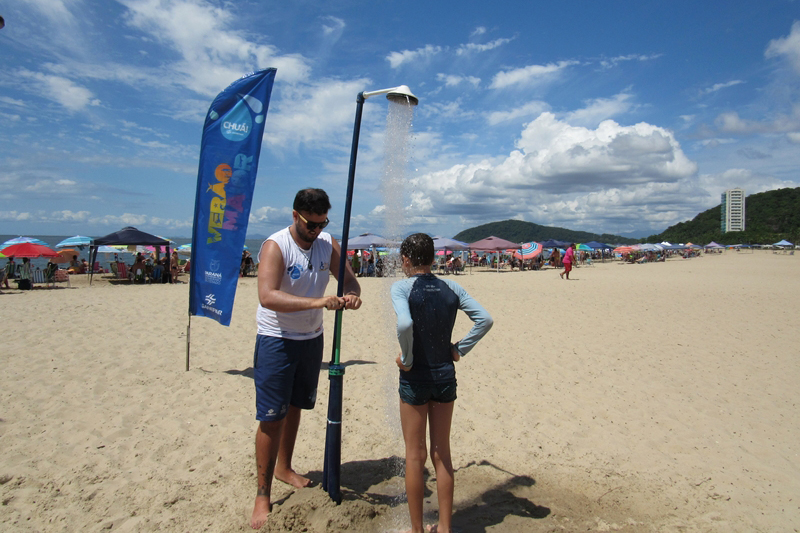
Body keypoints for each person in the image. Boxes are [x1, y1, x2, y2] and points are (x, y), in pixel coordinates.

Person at [251, 188, 362, 529]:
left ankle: (285, 467)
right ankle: (262, 493)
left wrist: (352, 297)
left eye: (322, 224)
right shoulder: (276, 246)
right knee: (272, 416)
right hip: (277, 339)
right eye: (311, 225)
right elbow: (267, 296)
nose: (316, 231)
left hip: (311, 339)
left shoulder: (327, 244)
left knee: (297, 406)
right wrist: (317, 303)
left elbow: (350, 282)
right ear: (296, 215)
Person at [390, 233, 493, 533]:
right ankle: (445, 528)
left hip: (415, 379)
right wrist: (459, 348)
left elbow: (405, 323)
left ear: (406, 261)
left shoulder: (401, 287)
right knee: (441, 453)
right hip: (445, 377)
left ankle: (417, 530)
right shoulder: (452, 287)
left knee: (414, 455)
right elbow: (484, 319)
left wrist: (407, 358)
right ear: (434, 259)